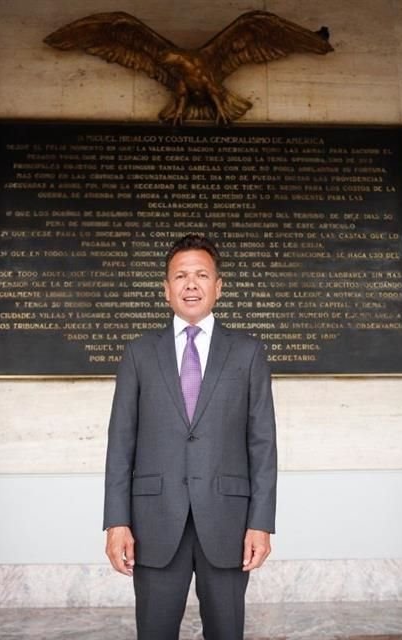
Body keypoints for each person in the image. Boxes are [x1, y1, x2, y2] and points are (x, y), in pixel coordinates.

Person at [103, 234, 278, 640]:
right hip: (153, 523)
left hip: (229, 523)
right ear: (166, 290)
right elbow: (121, 443)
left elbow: (263, 443)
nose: (191, 284)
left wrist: (261, 524)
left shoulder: (249, 353)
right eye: (180, 276)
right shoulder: (138, 353)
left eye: (202, 274)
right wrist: (117, 521)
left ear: (219, 286)